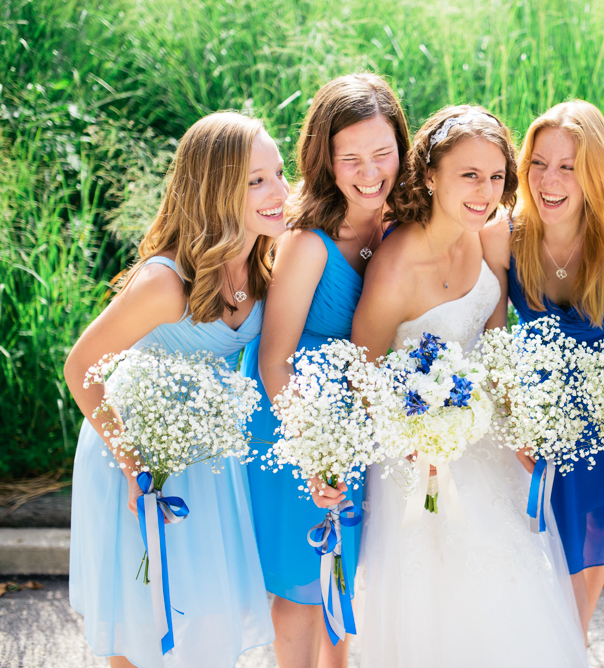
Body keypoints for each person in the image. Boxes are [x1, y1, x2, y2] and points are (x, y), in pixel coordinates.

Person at [351, 105, 588, 667]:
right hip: (420, 458)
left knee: (515, 589)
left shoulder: (483, 236)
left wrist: (520, 419)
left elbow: (496, 338)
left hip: (489, 438)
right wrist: (417, 436)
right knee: (446, 604)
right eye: (469, 176)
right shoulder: (396, 268)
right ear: (430, 176)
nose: (485, 191)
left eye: (496, 177)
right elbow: (363, 369)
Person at [65, 111, 285, 668]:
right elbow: (80, 367)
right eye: (256, 181)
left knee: (207, 622)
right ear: (216, 192)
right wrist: (133, 462)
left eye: (279, 174)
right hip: (138, 453)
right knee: (146, 622)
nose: (279, 191)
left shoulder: (264, 264)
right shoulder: (167, 282)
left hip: (205, 455)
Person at [240, 73, 409, 668]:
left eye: (382, 154)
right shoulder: (309, 242)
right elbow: (272, 361)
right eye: (351, 159)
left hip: (357, 419)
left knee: (341, 571)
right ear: (326, 161)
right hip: (297, 421)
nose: (369, 173)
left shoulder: (401, 225)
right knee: (301, 583)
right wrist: (316, 452)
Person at [480, 100, 604, 642]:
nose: (549, 180)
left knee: (595, 539)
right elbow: (493, 337)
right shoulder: (505, 233)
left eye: (568, 166)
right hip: (539, 409)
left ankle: (575, 643)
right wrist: (511, 420)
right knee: (536, 547)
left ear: (594, 173)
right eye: (538, 163)